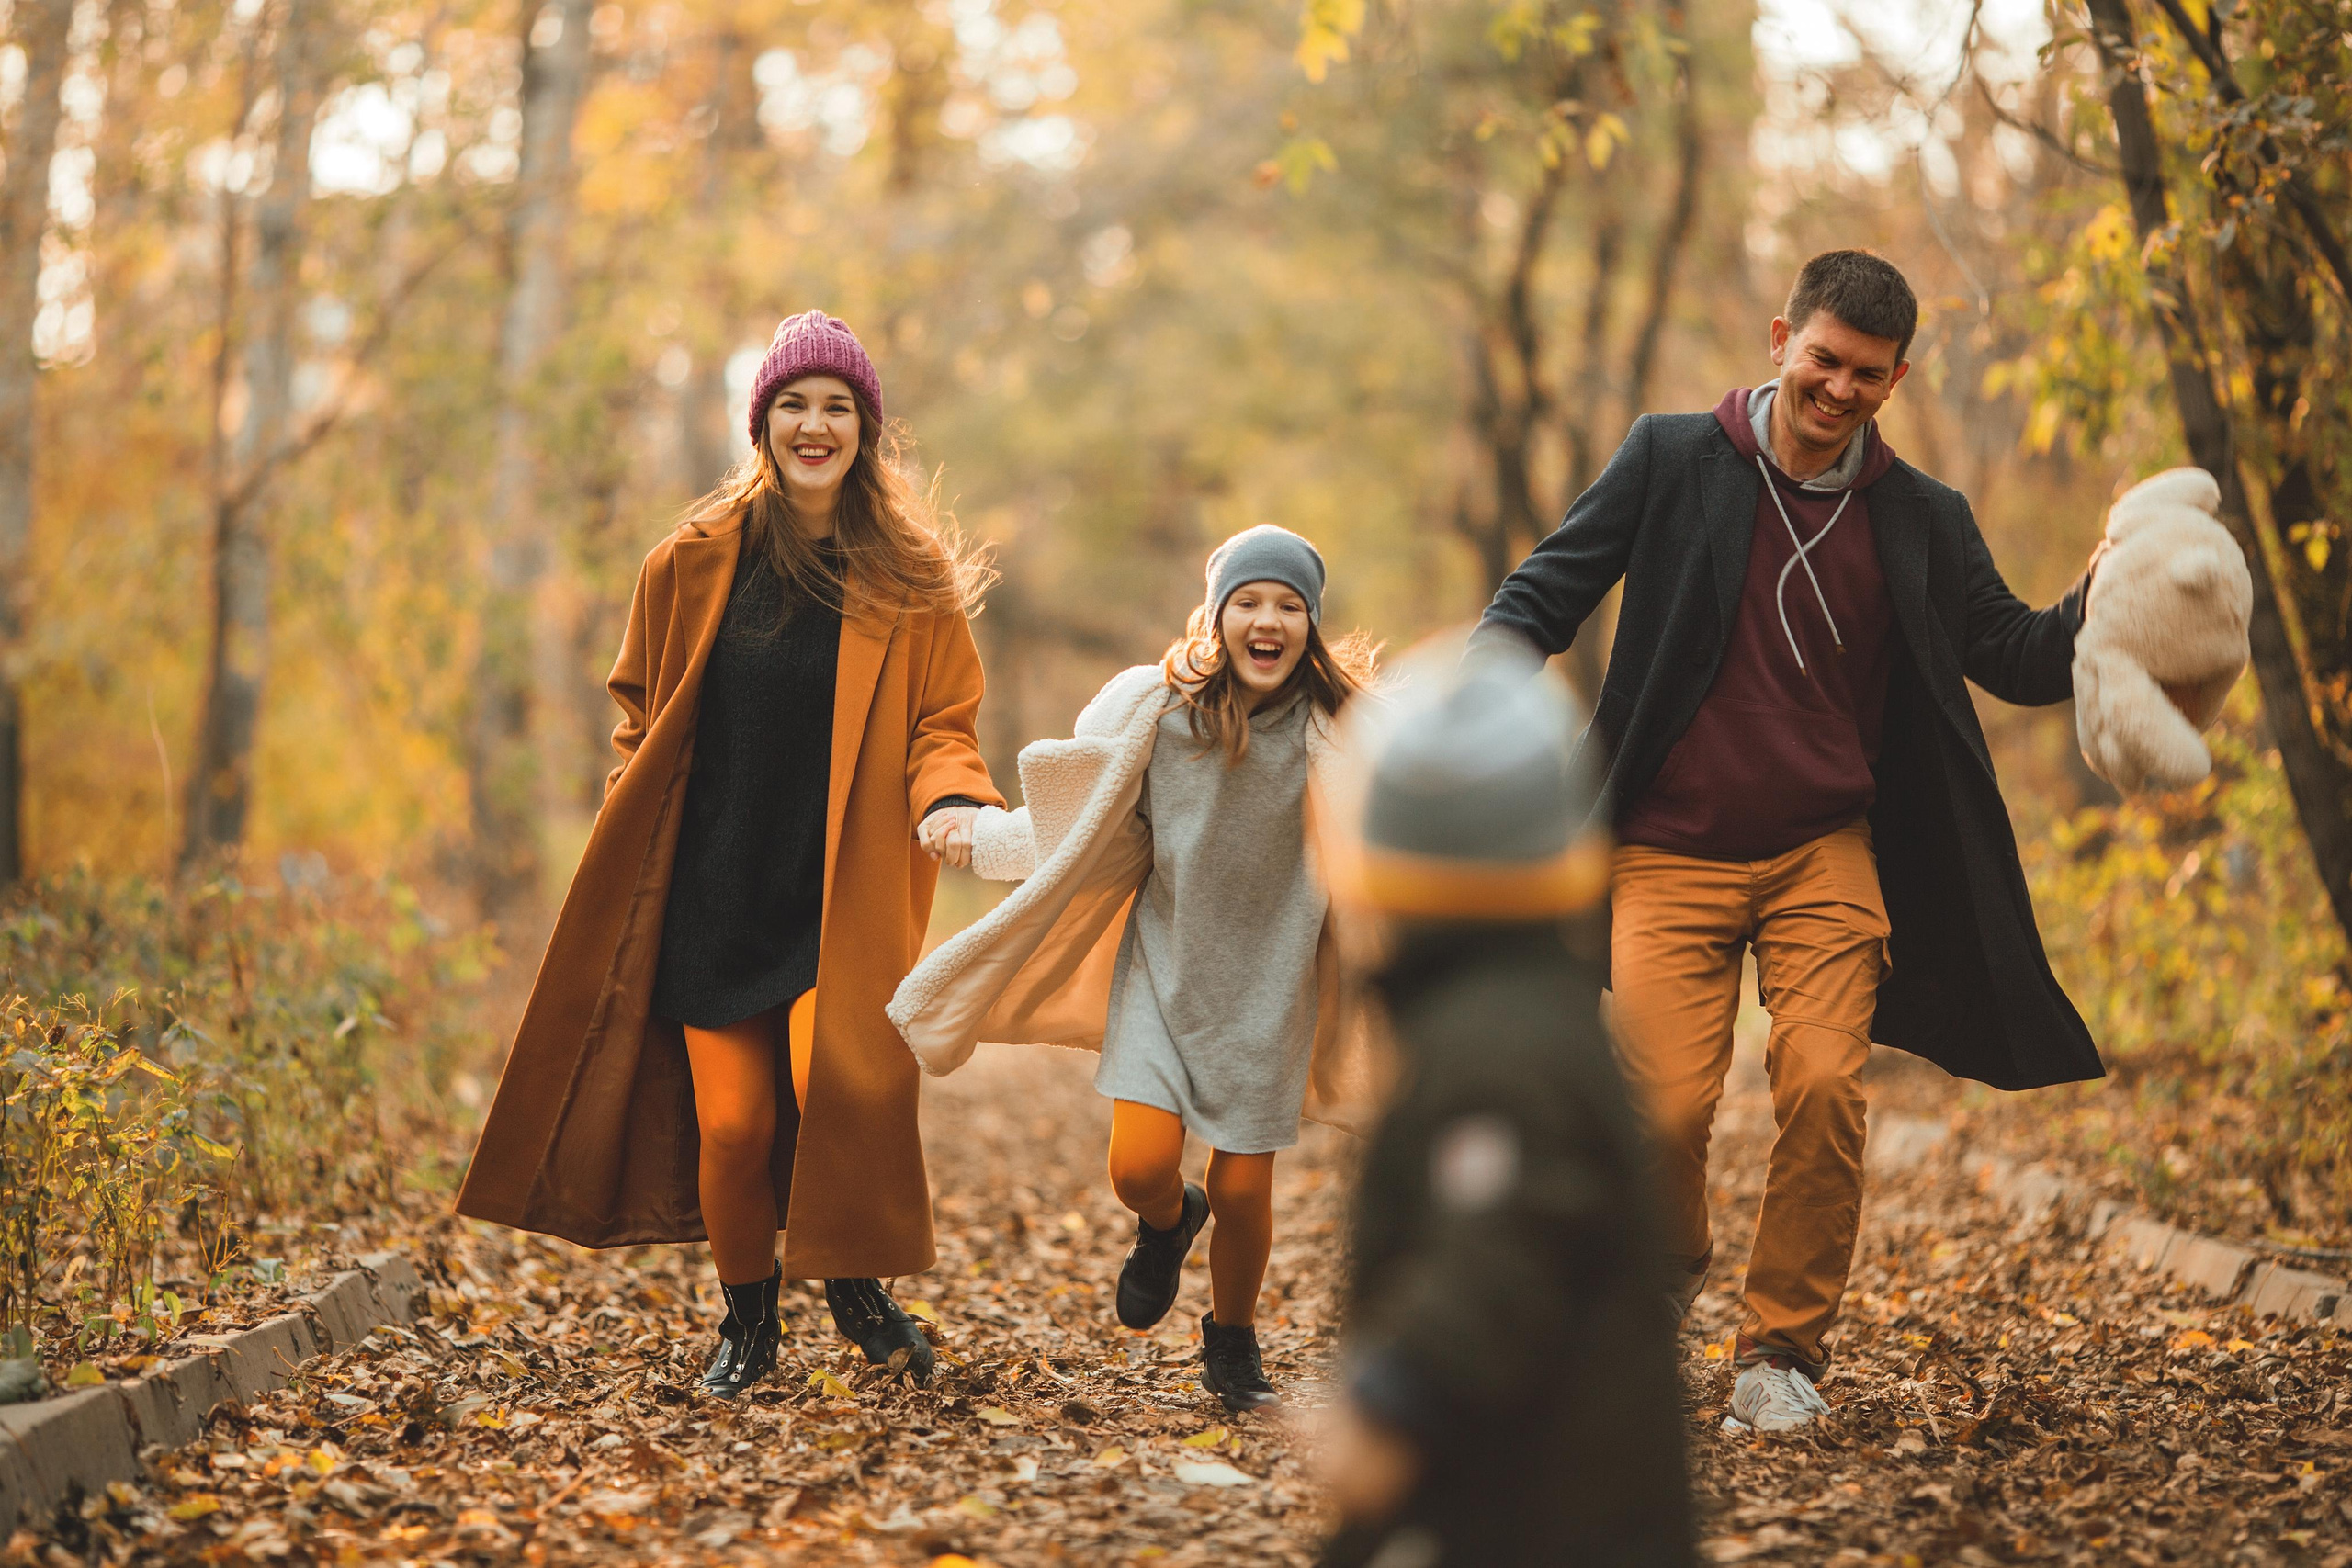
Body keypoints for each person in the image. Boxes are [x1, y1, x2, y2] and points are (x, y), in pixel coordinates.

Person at [1474, 250, 2104, 1432]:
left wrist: (2105, 594)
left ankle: (1781, 1352)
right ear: (1780, 339)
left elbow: (2015, 655)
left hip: (1826, 846)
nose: (1838, 389)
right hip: (1667, 843)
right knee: (1661, 1108)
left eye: (1867, 374)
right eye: (1823, 360)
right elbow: (1538, 600)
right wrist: (1463, 717)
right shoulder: (1669, 459)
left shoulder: (1921, 518)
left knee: (1823, 1082)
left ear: (1897, 377)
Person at [455, 311, 1002, 1397]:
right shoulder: (689, 562)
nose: (814, 424)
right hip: (715, 889)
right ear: (762, 423)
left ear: (865, 429)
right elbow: (638, 711)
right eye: (793, 404)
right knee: (737, 1126)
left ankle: (852, 1281)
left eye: (837, 407)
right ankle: (748, 1323)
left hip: (837, 887)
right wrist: (632, 807)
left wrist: (953, 801)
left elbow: (945, 721)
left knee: (831, 1080)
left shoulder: (910, 575)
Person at [887, 526, 1378, 1413]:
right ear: (1217, 614)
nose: (1268, 621)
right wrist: (976, 836)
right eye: (1249, 602)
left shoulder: (1339, 738)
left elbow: (1402, 847)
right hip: (1162, 969)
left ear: (1312, 624)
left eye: (1289, 606)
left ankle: (1231, 1341)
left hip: (1273, 987)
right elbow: (1072, 825)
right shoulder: (1159, 715)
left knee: (1242, 1184)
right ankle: (1165, 1221)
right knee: (1139, 1168)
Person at [1316, 646, 1696, 1568]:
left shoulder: (1497, 1048)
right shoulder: (1511, 1010)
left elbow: (1504, 1238)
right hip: (1523, 1488)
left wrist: (1396, 1390)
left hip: (1556, 1515)